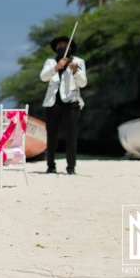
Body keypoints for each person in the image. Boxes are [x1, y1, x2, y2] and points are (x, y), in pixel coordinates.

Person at [40, 36, 87, 175]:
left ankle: (71, 167)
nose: (61, 47)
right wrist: (56, 67)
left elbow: (83, 83)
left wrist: (75, 71)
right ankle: (50, 165)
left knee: (71, 135)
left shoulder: (78, 62)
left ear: (70, 48)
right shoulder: (50, 62)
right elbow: (43, 77)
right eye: (59, 45)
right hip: (53, 102)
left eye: (64, 45)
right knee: (51, 135)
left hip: (71, 102)